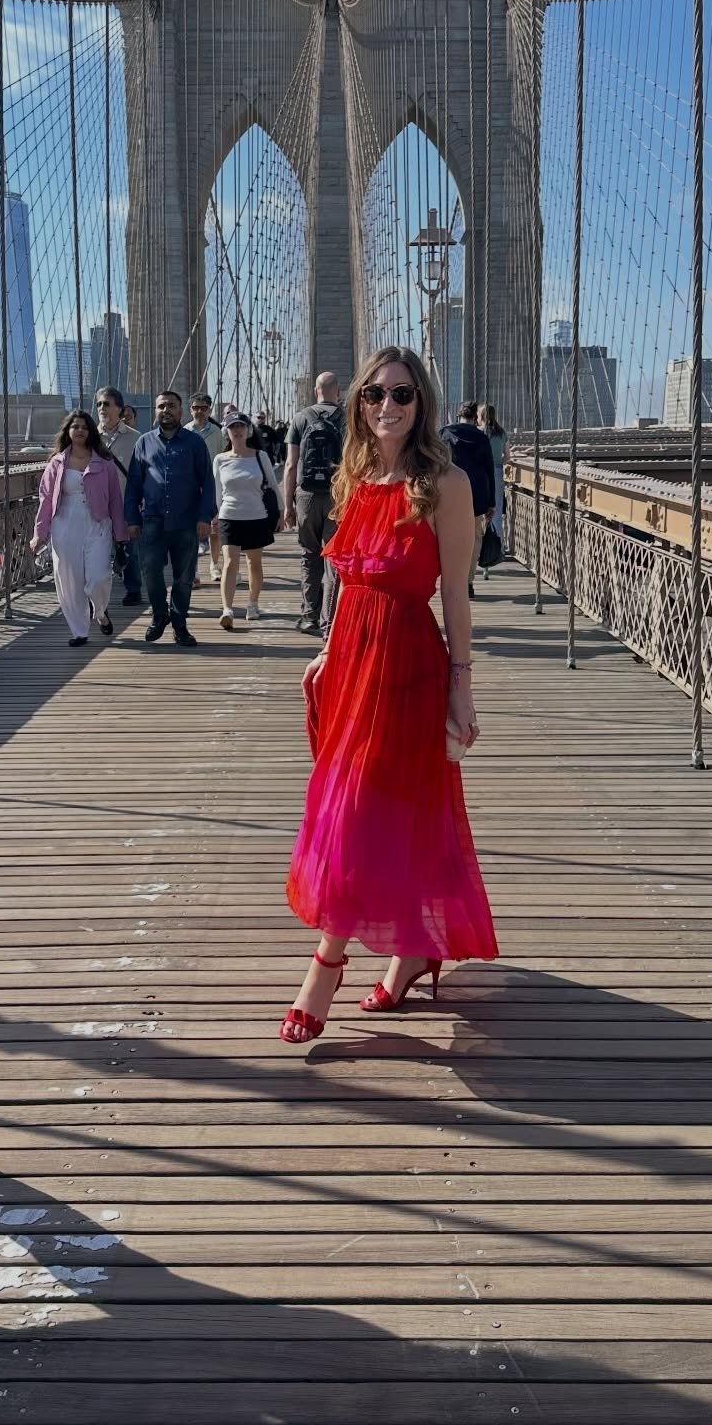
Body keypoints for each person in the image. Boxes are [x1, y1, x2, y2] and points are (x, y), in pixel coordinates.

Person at [280, 346, 498, 1044]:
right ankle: (415, 949)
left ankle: (326, 964)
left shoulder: (446, 484)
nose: (388, 406)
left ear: (421, 403)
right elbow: (348, 580)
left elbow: (456, 595)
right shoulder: (357, 473)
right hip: (351, 663)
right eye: (375, 394)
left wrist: (462, 688)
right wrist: (325, 651)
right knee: (372, 808)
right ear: (359, 403)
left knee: (366, 813)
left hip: (406, 666)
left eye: (402, 394)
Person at [124, 389, 217, 649]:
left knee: (184, 577)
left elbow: (207, 482)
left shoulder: (195, 443)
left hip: (186, 521)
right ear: (156, 411)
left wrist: (204, 517)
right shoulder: (143, 443)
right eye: (161, 406)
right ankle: (159, 614)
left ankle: (179, 624)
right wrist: (132, 518)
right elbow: (133, 484)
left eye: (171, 406)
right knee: (151, 572)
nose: (166, 410)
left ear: (180, 410)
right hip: (152, 521)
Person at [32, 412, 128, 646]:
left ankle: (100, 611)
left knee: (99, 577)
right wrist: (39, 534)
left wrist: (121, 532)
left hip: (97, 525)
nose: (80, 431)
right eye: (75, 426)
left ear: (91, 431)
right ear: (68, 431)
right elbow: (46, 499)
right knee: (69, 580)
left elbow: (115, 500)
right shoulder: (56, 463)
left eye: (85, 427)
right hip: (65, 525)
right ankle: (79, 631)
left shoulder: (104, 463)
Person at [284, 370, 344, 637]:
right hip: (338, 495)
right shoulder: (348, 419)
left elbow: (290, 464)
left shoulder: (301, 417)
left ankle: (309, 616)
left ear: (315, 391)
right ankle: (329, 620)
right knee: (333, 558)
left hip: (306, 495)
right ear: (338, 392)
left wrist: (288, 505)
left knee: (309, 555)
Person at [214, 411, 279, 629]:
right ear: (226, 432)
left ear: (248, 429)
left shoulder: (260, 456)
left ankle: (253, 603)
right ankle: (227, 609)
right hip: (229, 516)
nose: (237, 430)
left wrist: (281, 511)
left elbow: (273, 485)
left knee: (254, 562)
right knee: (229, 562)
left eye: (241, 426)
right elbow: (217, 491)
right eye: (233, 427)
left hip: (256, 515)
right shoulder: (220, 460)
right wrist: (215, 515)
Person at [441, 400, 497, 599]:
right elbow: (489, 470)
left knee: (448, 538)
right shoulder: (482, 438)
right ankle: (468, 582)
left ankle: (451, 579)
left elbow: (436, 464)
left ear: (459, 415)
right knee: (474, 540)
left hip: (450, 493)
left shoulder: (445, 433)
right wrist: (492, 501)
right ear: (475, 418)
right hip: (478, 494)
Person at [95, 387, 143, 607]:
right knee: (97, 551)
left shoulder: (136, 438)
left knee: (130, 549)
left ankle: (133, 589)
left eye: (106, 404)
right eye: (99, 404)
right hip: (97, 506)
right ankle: (97, 593)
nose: (101, 408)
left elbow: (143, 473)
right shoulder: (90, 437)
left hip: (126, 503)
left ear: (119, 409)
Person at [186, 393, 227, 585]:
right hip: (190, 488)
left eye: (203, 408)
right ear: (190, 410)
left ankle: (214, 565)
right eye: (196, 408)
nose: (199, 412)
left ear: (209, 411)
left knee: (214, 529)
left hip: (213, 487)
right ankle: (193, 570)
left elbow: (223, 458)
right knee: (191, 531)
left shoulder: (218, 433)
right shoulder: (184, 431)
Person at [480, 404, 507, 569]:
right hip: (497, 472)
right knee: (496, 511)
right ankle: (499, 549)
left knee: (478, 512)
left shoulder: (480, 432)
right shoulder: (501, 432)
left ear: (481, 416)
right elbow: (507, 456)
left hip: (482, 472)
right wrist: (498, 462)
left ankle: (479, 548)